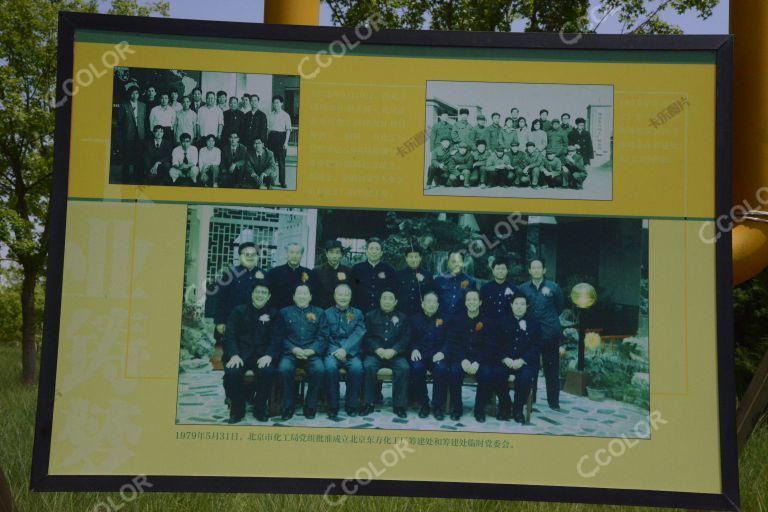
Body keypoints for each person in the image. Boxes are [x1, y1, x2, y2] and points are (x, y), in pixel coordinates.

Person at [222, 280, 284, 423]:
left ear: (269, 296)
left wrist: (269, 355)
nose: (260, 295)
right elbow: (229, 335)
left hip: (262, 355)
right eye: (257, 292)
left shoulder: (274, 314)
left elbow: (277, 338)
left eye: (264, 293)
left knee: (268, 372)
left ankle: (259, 409)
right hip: (241, 354)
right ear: (252, 294)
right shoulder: (238, 311)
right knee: (231, 372)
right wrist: (234, 354)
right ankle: (237, 410)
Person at [277, 284, 328, 420]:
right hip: (290, 352)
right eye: (299, 293)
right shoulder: (284, 313)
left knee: (319, 369)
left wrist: (312, 350)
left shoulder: (319, 312)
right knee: (283, 369)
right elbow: (279, 336)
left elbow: (323, 335)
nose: (302, 296)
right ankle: (288, 406)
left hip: (311, 353)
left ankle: (310, 405)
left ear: (310, 297)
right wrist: (293, 349)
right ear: (293, 297)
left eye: (305, 294)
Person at [519, 258, 565, 410]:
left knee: (551, 369)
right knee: (530, 368)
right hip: (530, 335)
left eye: (539, 268)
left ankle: (554, 402)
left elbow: (559, 307)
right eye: (533, 268)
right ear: (530, 270)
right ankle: (530, 399)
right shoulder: (523, 288)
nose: (536, 270)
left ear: (544, 270)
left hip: (550, 333)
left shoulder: (554, 287)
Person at [361, 290, 410, 418]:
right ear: (380, 300)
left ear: (395, 302)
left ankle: (399, 405)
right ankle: (368, 403)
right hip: (375, 354)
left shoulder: (403, 317)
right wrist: (378, 349)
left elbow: (405, 338)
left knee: (404, 368)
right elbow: (366, 337)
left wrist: (394, 350)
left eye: (390, 299)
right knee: (368, 366)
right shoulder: (370, 316)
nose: (387, 301)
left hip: (395, 354)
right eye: (384, 298)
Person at [446, 290, 491, 421]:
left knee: (487, 374)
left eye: (474, 299)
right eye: (469, 300)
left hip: (480, 359)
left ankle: (479, 410)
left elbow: (489, 345)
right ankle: (457, 408)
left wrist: (477, 361)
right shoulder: (457, 319)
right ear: (465, 302)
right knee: (454, 372)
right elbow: (453, 342)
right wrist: (463, 359)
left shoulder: (487, 321)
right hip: (461, 358)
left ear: (480, 302)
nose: (472, 302)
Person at [323, 283, 366, 419]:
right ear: (335, 296)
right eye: (340, 294)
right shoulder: (326, 313)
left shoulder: (357, 314)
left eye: (346, 295)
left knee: (357, 369)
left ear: (350, 297)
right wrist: (337, 351)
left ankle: (351, 405)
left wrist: (345, 350)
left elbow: (359, 333)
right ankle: (333, 406)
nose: (343, 297)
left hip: (351, 352)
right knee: (329, 368)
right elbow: (324, 335)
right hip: (332, 351)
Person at [497, 295, 542, 423]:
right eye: (516, 304)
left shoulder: (534, 323)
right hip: (506, 361)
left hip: (525, 362)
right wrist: (505, 359)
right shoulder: (502, 321)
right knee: (496, 374)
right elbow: (496, 344)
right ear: (511, 305)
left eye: (522, 304)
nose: (519, 307)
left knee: (525, 378)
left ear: (527, 306)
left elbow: (537, 346)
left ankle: (517, 409)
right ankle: (505, 405)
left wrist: (522, 360)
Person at [213, 242, 267, 341]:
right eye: (246, 254)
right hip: (234, 321)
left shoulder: (264, 274)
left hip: (256, 323)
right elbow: (220, 299)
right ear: (240, 256)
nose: (250, 257)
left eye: (253, 254)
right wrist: (220, 321)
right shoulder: (230, 274)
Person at [409, 291, 449, 420]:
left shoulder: (444, 319)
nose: (431, 305)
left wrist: (443, 352)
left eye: (434, 302)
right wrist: (414, 349)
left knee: (442, 369)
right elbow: (409, 339)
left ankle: (437, 405)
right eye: (428, 302)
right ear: (423, 304)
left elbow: (450, 340)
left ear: (438, 305)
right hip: (421, 355)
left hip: (437, 355)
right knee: (416, 368)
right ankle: (424, 404)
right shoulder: (414, 319)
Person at [350, 237, 396, 313]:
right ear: (366, 251)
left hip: (382, 312)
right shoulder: (356, 269)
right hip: (360, 311)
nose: (374, 251)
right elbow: (352, 288)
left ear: (381, 253)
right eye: (371, 249)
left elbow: (393, 290)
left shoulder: (389, 270)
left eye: (377, 249)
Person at [266, 243, 315, 310]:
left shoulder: (310, 274)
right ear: (286, 254)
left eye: (297, 253)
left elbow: (314, 296)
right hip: (279, 312)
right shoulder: (274, 273)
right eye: (291, 252)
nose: (294, 256)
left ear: (301, 255)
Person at [116, 85, 146, 183]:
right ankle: (125, 178)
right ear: (129, 94)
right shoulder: (124, 105)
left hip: (140, 134)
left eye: (136, 93)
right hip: (128, 135)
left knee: (139, 156)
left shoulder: (143, 105)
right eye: (132, 93)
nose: (134, 95)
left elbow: (143, 119)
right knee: (127, 157)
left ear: (139, 94)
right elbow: (120, 120)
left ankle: (138, 177)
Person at [434, 249, 476, 317]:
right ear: (448, 262)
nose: (456, 264)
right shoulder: (438, 280)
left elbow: (474, 304)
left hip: (462, 321)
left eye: (459, 261)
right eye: (453, 261)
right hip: (442, 321)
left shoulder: (471, 282)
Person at [395, 245, 434, 317]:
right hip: (402, 315)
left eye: (416, 257)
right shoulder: (398, 275)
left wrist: (423, 282)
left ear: (420, 258)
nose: (413, 260)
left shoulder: (428, 275)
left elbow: (431, 295)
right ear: (406, 258)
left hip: (421, 316)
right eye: (410, 257)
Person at [313, 239, 352, 310]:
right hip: (323, 310)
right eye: (331, 252)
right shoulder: (317, 271)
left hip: (342, 309)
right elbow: (314, 293)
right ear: (326, 254)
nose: (334, 256)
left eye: (337, 252)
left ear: (341, 254)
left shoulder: (348, 271)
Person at [266, 95, 292, 188]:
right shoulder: (270, 114)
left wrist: (286, 143)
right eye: (274, 103)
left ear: (281, 103)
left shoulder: (285, 115)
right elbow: (268, 130)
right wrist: (266, 141)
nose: (275, 104)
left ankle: (282, 182)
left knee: (281, 162)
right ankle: (271, 181)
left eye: (277, 102)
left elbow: (288, 130)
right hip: (271, 138)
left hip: (281, 138)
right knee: (271, 162)